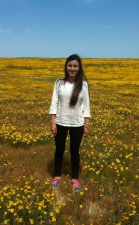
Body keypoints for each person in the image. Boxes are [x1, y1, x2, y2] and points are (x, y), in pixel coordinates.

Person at [49, 54, 91, 191]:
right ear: (66, 67)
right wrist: (53, 122)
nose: (72, 68)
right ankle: (57, 175)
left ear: (79, 68)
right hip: (60, 122)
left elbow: (86, 106)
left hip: (77, 124)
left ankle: (74, 177)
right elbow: (54, 102)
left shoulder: (83, 85)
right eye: (70, 65)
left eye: (75, 66)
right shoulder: (58, 83)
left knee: (74, 151)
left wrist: (87, 124)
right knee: (59, 150)